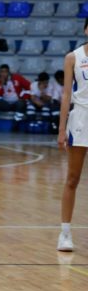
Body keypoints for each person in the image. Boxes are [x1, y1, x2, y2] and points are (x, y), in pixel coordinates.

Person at [56, 19, 88, 252]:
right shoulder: (73, 57)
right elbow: (66, 95)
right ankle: (65, 233)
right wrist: (61, 129)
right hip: (80, 120)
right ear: (86, 29)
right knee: (73, 178)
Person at [0, 64, 30, 130]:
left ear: (8, 72)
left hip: (16, 103)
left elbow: (29, 87)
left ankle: (16, 124)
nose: (4, 74)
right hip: (5, 104)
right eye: (2, 72)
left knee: (21, 103)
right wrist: (1, 84)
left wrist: (23, 97)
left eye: (5, 71)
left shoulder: (17, 78)